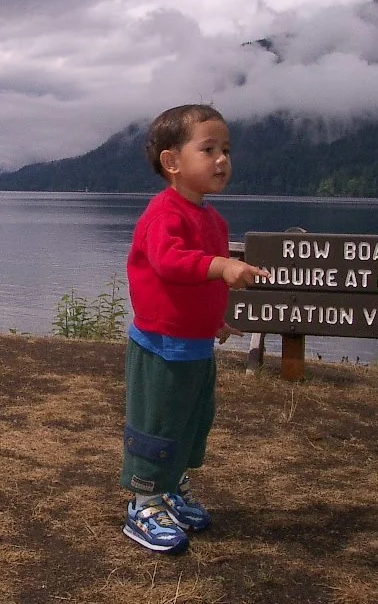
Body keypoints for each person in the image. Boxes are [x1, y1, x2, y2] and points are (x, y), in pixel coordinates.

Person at [121, 103, 269, 554]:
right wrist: (223, 265)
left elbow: (196, 282)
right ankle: (143, 503)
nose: (222, 159)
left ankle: (169, 486)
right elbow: (170, 262)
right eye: (208, 149)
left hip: (196, 344)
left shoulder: (212, 220)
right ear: (172, 163)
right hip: (162, 345)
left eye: (226, 149)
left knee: (191, 419)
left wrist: (215, 319)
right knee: (158, 421)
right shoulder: (165, 213)